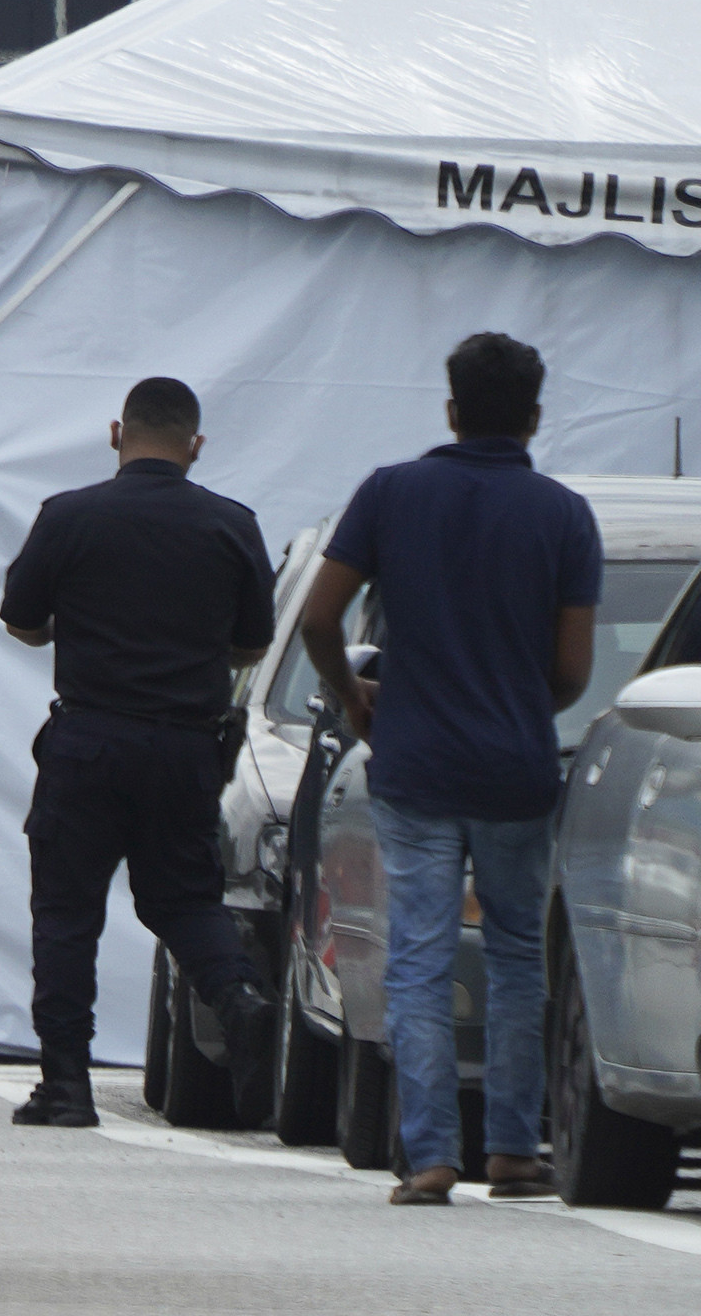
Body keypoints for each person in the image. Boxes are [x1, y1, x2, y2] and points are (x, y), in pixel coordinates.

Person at [302, 330, 603, 1204]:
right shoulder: (563, 515)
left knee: (421, 959)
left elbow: (322, 618)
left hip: (417, 765)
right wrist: (511, 702)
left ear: (451, 410)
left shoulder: (391, 494)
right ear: (535, 417)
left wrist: (356, 698)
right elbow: (574, 671)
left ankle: (430, 1155)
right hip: (516, 770)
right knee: (516, 960)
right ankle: (512, 1147)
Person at [0, 372, 275, 1128]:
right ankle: (240, 998)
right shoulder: (232, 526)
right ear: (196, 446)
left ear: (117, 434)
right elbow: (252, 643)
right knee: (183, 898)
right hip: (186, 748)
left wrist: (76, 629)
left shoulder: (70, 516)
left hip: (89, 742)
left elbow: (20, 620)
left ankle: (66, 1086)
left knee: (66, 909)